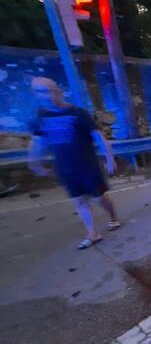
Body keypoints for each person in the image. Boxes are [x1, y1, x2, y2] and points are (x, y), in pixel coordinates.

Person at [28, 77, 120, 250]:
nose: (45, 96)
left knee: (100, 198)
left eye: (48, 91)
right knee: (79, 201)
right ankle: (92, 233)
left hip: (88, 167)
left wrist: (109, 158)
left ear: (58, 92)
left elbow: (98, 136)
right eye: (39, 92)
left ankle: (113, 216)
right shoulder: (40, 117)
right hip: (65, 169)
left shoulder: (78, 114)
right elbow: (38, 142)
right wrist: (35, 163)